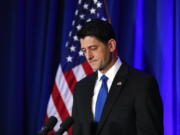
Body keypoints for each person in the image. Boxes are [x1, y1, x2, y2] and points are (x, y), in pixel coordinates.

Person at [72, 19, 163, 135]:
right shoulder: (81, 88)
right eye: (84, 50)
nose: (88, 56)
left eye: (93, 48)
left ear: (111, 45)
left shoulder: (142, 84)